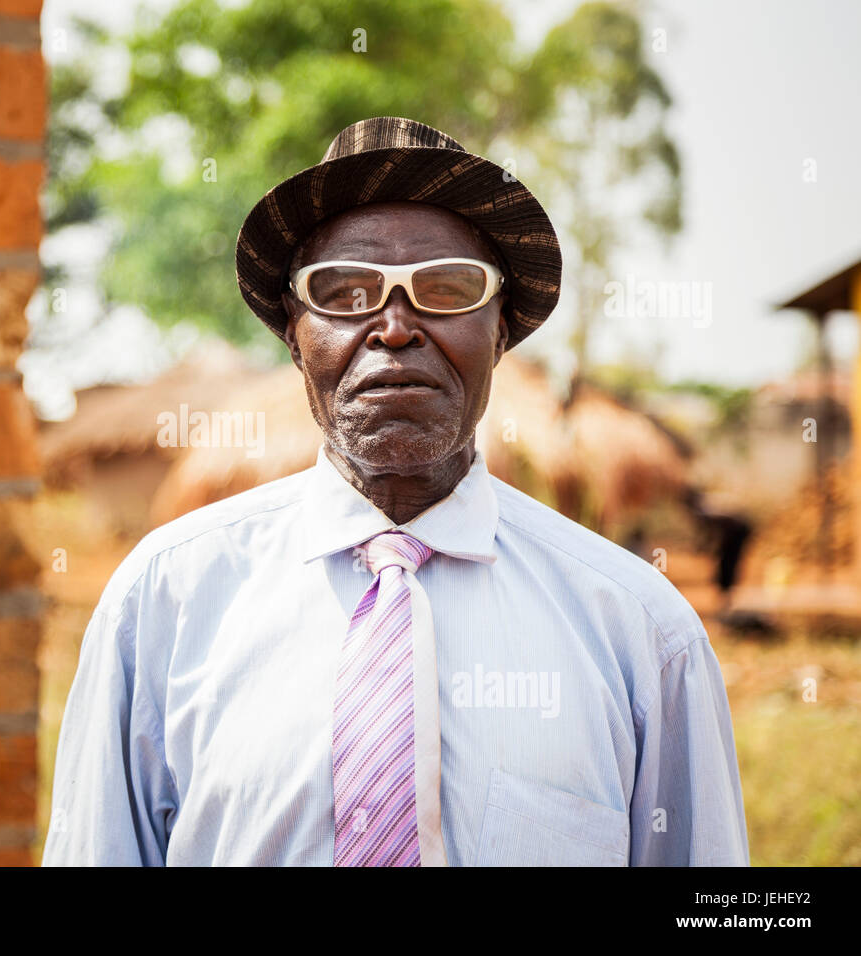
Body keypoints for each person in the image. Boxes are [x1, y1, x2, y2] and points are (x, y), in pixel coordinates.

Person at [42, 116, 749, 866]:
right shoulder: (163, 603)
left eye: (447, 288)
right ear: (293, 331)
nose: (395, 326)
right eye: (344, 291)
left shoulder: (640, 633)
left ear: (501, 330)